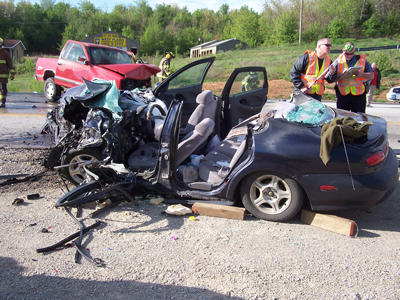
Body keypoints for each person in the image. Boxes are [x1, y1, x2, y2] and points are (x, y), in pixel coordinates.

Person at [334, 42, 374, 113]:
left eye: (351, 53)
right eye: (347, 53)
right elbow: (332, 78)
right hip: (343, 95)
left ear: (354, 51)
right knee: (342, 119)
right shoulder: (338, 61)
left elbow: (371, 75)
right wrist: (342, 75)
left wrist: (361, 75)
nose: (349, 55)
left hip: (358, 95)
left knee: (359, 119)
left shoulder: (362, 60)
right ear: (343, 51)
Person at [0, 38, 16, 108]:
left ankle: (2, 102)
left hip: (3, 75)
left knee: (3, 90)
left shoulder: (5, 53)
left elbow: (10, 64)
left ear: (2, 44)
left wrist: (12, 73)